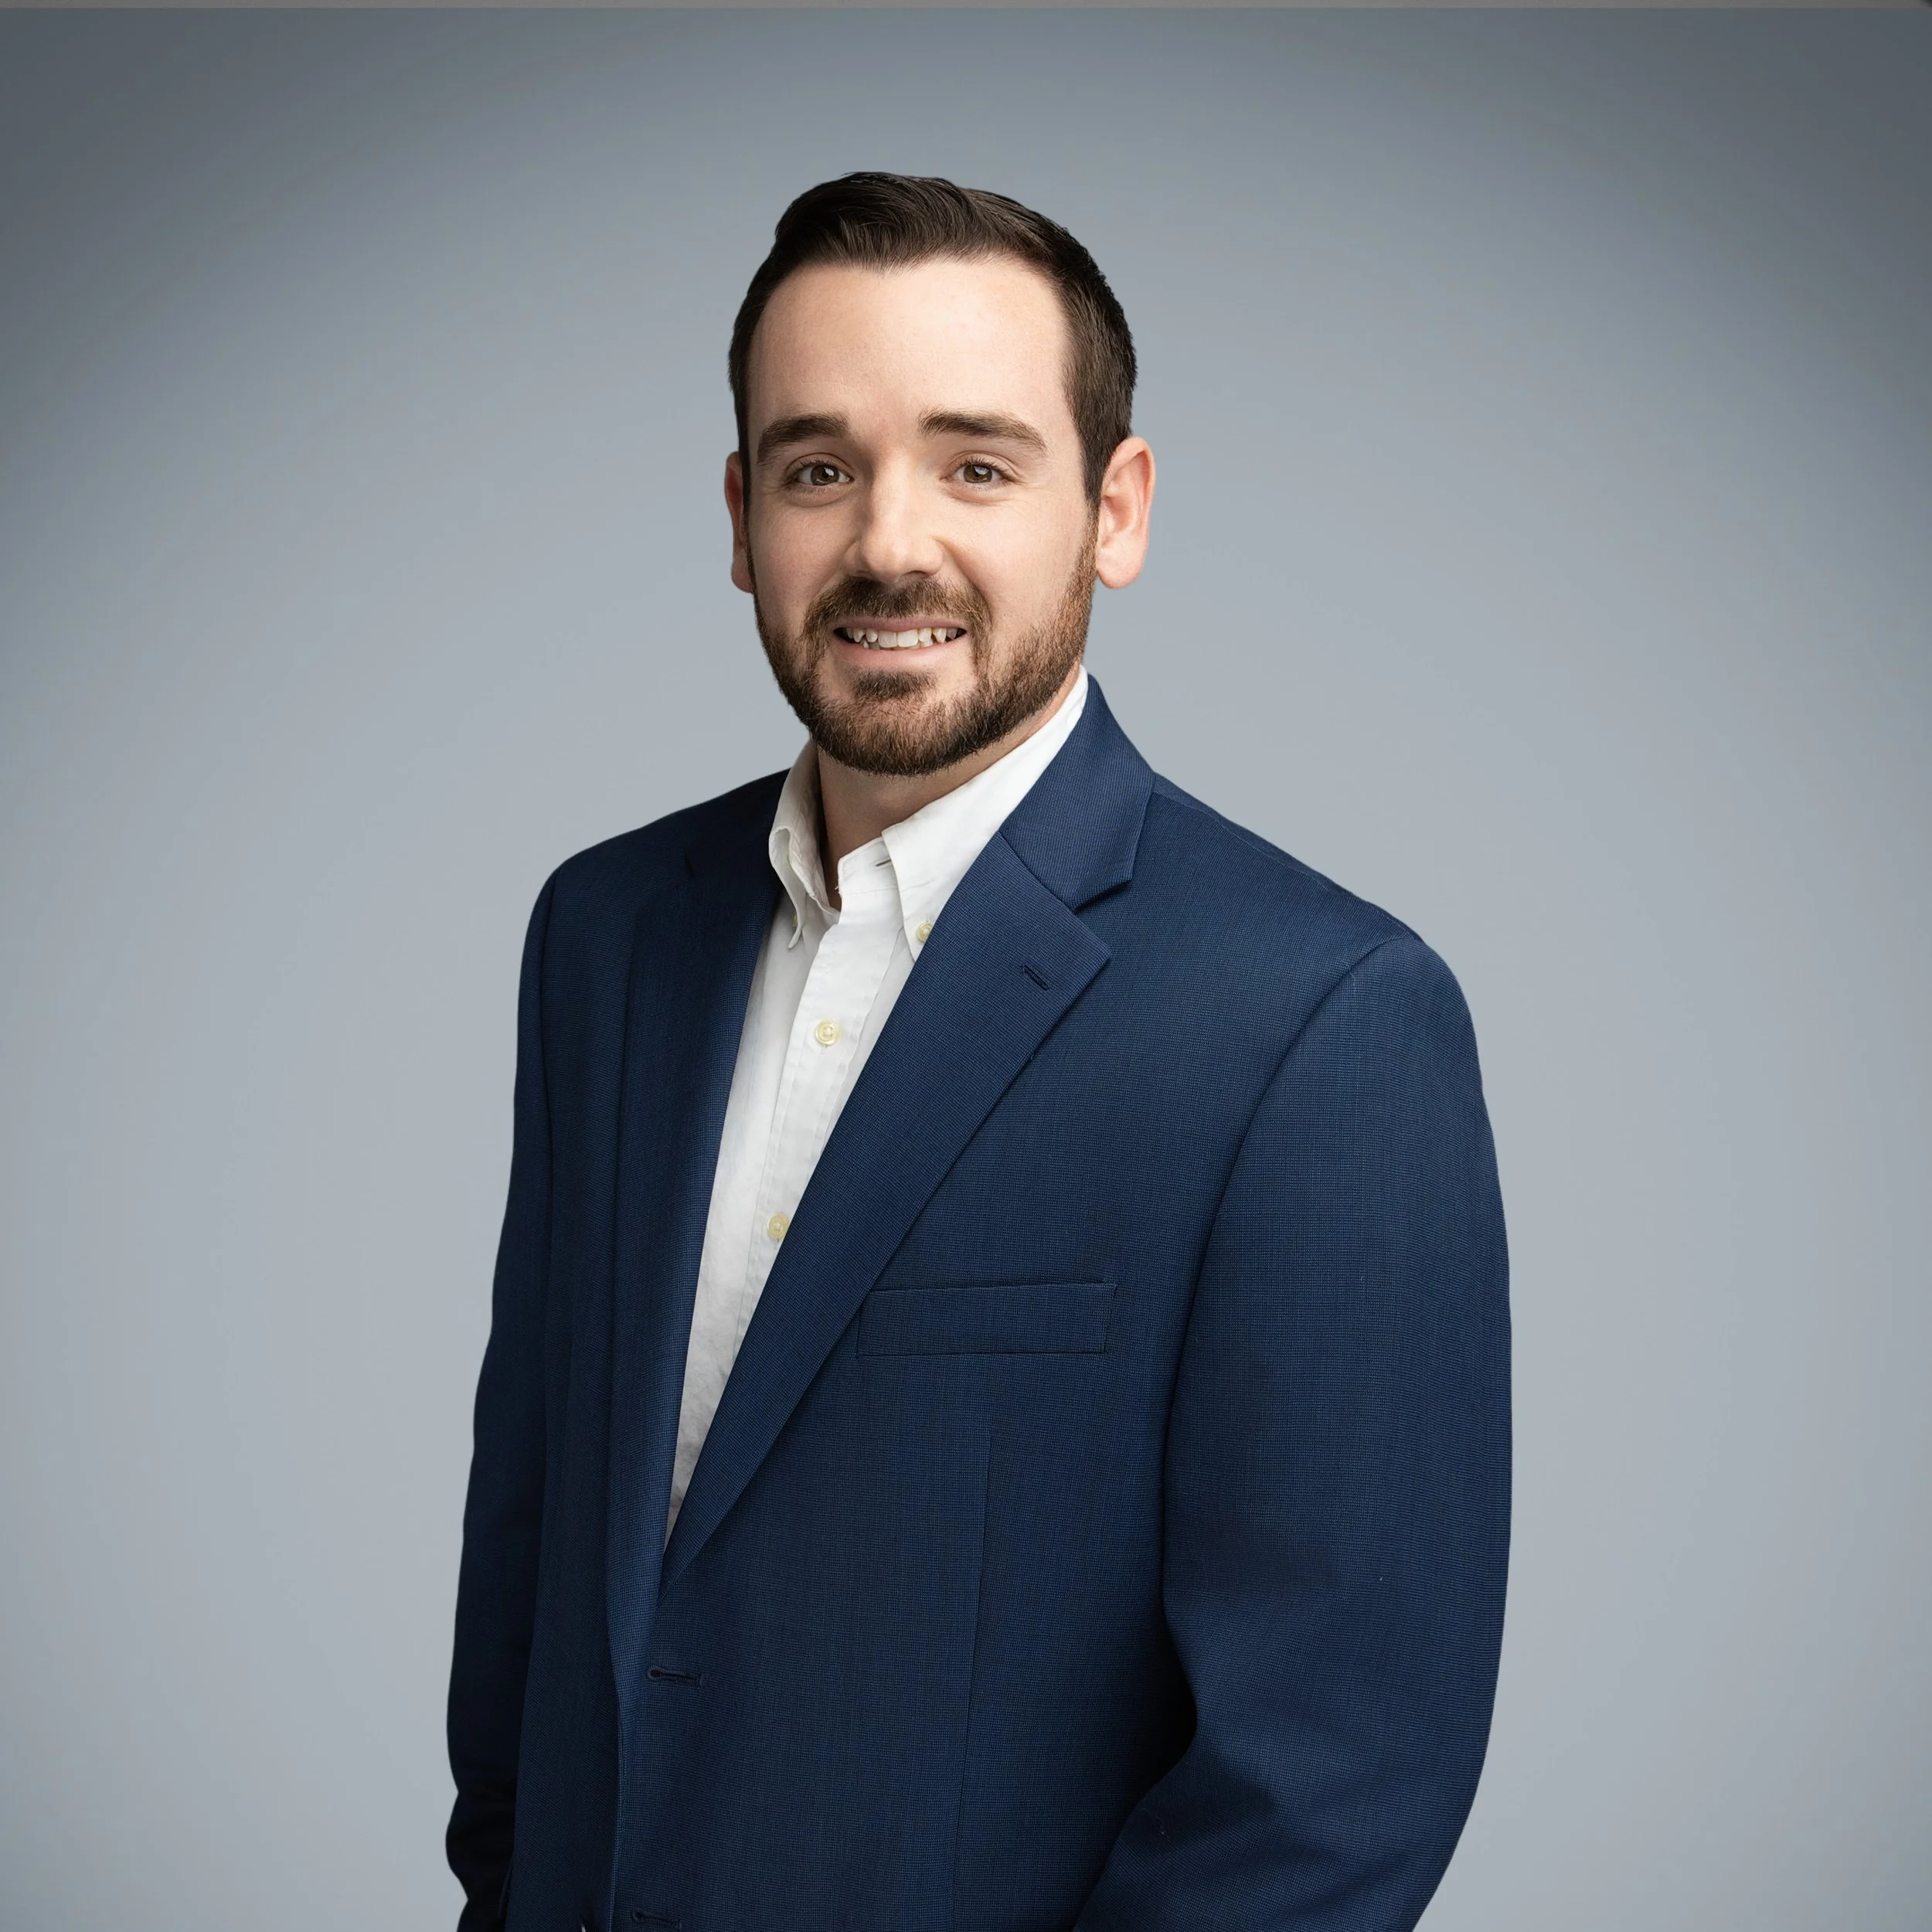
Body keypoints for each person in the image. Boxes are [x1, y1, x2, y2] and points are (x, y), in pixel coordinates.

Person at [447, 172, 1510, 1932]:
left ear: (1116, 508)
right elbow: (538, 1569)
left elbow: (1330, 1788)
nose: (887, 542)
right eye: (816, 467)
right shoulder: (605, 935)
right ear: (738, 514)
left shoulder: (1320, 1022)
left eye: (976, 464)